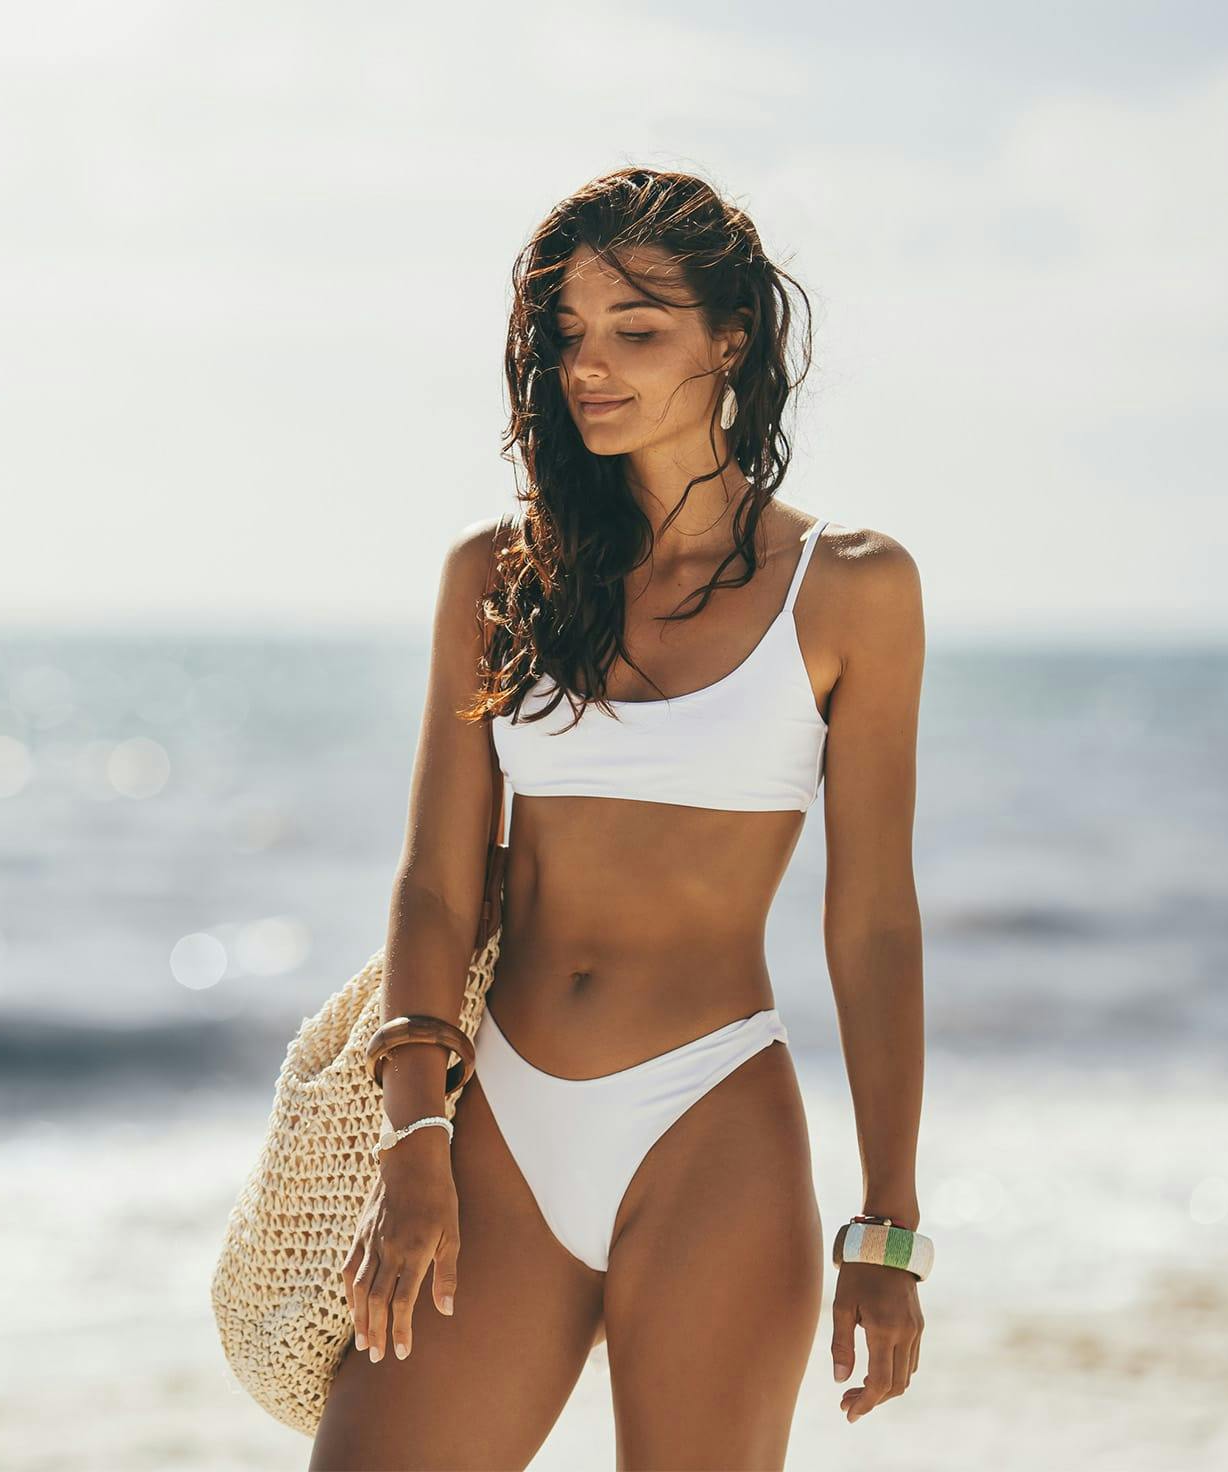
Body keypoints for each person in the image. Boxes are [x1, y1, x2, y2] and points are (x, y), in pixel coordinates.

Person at [310, 167, 927, 1471]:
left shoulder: (852, 589)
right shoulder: (501, 573)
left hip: (713, 1129)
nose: (591, 366)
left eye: (634, 329)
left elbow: (870, 922)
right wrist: (415, 1132)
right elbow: (437, 882)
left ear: (729, 341)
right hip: (495, 1130)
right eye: (569, 333)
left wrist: (888, 1226)